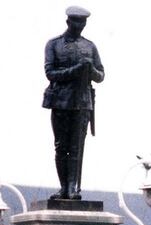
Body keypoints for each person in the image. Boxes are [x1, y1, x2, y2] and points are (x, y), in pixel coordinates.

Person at [43, 6, 104, 200]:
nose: (80, 26)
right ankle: (64, 187)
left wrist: (90, 70)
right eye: (77, 22)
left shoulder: (90, 46)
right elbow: (50, 73)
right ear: (68, 22)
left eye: (83, 23)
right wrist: (76, 70)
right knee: (61, 146)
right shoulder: (54, 45)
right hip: (61, 101)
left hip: (82, 102)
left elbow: (101, 75)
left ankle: (73, 188)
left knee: (77, 146)